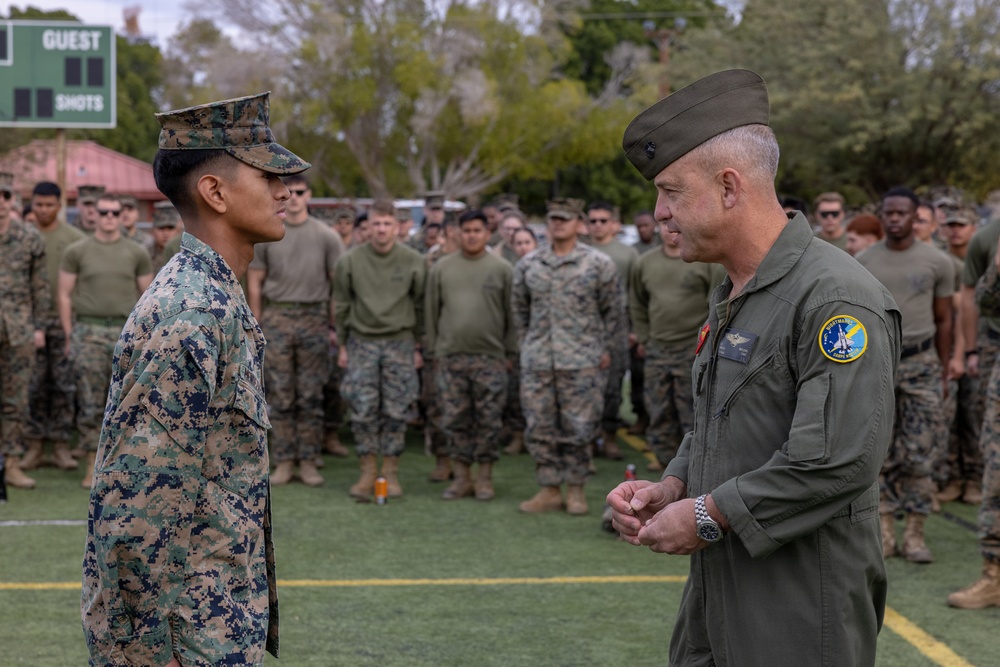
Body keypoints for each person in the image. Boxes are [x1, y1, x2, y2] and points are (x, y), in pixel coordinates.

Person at [608, 69, 901, 666]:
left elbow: (837, 459)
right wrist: (675, 485)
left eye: (670, 191)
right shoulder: (739, 289)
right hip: (722, 587)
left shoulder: (832, 299)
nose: (658, 213)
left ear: (729, 187)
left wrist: (706, 516)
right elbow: (726, 417)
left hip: (797, 597)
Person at [82, 91, 308, 665]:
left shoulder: (215, 295)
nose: (286, 191)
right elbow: (136, 505)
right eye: (269, 176)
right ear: (215, 192)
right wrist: (147, 651)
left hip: (214, 616)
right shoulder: (191, 313)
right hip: (184, 638)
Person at [856, 186, 953, 563]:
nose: (895, 219)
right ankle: (884, 532)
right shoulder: (863, 260)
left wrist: (943, 370)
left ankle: (915, 533)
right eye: (889, 213)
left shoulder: (937, 262)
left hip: (922, 363)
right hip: (879, 361)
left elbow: (944, 319)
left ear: (917, 217)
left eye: (903, 213)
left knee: (921, 450)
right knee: (879, 449)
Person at [512, 198, 626, 515]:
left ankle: (576, 489)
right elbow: (519, 311)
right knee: (539, 426)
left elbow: (613, 313)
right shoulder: (528, 264)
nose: (558, 224)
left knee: (580, 428)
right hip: (539, 361)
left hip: (582, 361)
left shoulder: (598, 264)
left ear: (579, 224)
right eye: (553, 219)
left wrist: (605, 351)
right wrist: (528, 347)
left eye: (565, 219)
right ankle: (549, 488)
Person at [247, 173, 344, 487]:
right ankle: (286, 460)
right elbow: (256, 282)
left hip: (313, 319)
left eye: (300, 192)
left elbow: (335, 286)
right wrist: (257, 324)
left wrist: (333, 327)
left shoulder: (327, 236)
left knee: (311, 395)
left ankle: (309, 461)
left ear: (309, 194)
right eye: (289, 192)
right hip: (277, 319)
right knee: (281, 393)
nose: (294, 197)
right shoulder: (271, 232)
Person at [59, 193, 154, 488]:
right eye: (104, 213)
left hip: (126, 333)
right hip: (88, 331)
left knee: (129, 400)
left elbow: (149, 297)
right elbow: (64, 294)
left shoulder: (137, 251)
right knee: (89, 399)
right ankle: (91, 463)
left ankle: (122, 463)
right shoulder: (77, 250)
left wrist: (146, 336)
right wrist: (68, 334)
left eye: (116, 212)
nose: (110, 218)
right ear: (94, 215)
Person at [334, 198, 425, 499]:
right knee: (362, 409)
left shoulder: (413, 260)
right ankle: (367, 473)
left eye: (388, 224)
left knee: (397, 409)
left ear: (398, 227)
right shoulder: (350, 261)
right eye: (377, 224)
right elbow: (342, 305)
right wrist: (344, 344)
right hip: (362, 342)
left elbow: (421, 305)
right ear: (368, 227)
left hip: (400, 341)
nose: (382, 230)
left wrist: (418, 346)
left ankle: (390, 473)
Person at [426, 209, 515, 500]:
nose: (472, 235)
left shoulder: (502, 268)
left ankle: (485, 479)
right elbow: (431, 312)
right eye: (467, 231)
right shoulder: (442, 267)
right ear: (457, 233)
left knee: (489, 421)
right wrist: (435, 349)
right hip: (451, 358)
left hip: (490, 358)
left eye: (478, 230)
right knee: (455, 419)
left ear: (487, 233)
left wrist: (510, 352)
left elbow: (511, 315)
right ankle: (462, 478)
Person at [629, 219, 723, 472]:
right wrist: (643, 337)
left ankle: (692, 464)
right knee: (658, 408)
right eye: (664, 224)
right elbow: (637, 302)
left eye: (676, 224)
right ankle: (662, 458)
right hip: (657, 347)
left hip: (691, 349)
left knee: (690, 410)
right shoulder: (644, 263)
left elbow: (714, 305)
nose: (669, 229)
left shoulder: (704, 261)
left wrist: (706, 344)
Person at [23, 182, 85, 473]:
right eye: (39, 204)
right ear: (31, 204)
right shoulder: (23, 236)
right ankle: (34, 444)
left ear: (59, 206)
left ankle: (60, 444)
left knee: (63, 384)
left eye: (49, 205)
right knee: (33, 384)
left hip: (62, 321)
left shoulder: (74, 239)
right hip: (27, 321)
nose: (44, 210)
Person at [0, 172, 49, 490]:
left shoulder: (30, 237)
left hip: (17, 330)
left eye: (5, 196)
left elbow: (40, 287)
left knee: (15, 400)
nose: (0, 203)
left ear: (12, 201)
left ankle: (12, 464)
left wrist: (39, 327)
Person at [936, 207, 983, 506]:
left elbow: (969, 305)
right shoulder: (943, 260)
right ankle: (953, 477)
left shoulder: (978, 258)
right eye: (951, 225)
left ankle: (976, 479)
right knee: (950, 419)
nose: (955, 231)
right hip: (950, 347)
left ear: (973, 227)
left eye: (961, 225)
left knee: (975, 417)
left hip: (979, 346)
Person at [587, 201, 636, 460]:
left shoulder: (627, 255)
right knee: (585, 387)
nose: (597, 225)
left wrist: (634, 329)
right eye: (593, 221)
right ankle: (588, 440)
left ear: (614, 225)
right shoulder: (580, 251)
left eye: (603, 221)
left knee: (613, 385)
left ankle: (609, 437)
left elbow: (636, 294)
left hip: (618, 328)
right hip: (585, 329)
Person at [119, 193, 156, 257]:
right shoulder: (110, 239)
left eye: (130, 209)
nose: (125, 213)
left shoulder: (147, 240)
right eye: (121, 210)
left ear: (138, 214)